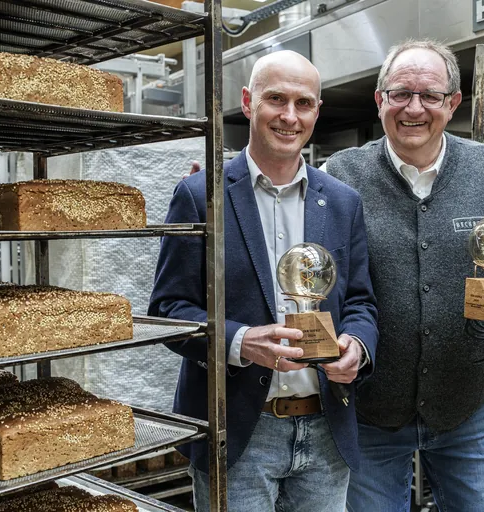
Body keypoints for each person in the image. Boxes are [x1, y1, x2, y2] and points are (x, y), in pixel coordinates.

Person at [324, 39, 484, 512]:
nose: (415, 108)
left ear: (453, 103)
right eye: (400, 94)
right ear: (380, 101)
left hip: (466, 407)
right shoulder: (339, 173)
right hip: (370, 409)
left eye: (430, 95)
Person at [148, 50, 378, 511]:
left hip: (327, 432)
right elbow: (168, 311)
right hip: (238, 435)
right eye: (276, 99)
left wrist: (358, 346)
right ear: (249, 102)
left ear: (316, 111)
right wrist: (241, 342)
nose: (290, 116)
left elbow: (360, 302)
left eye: (304, 103)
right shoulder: (200, 195)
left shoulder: (343, 202)